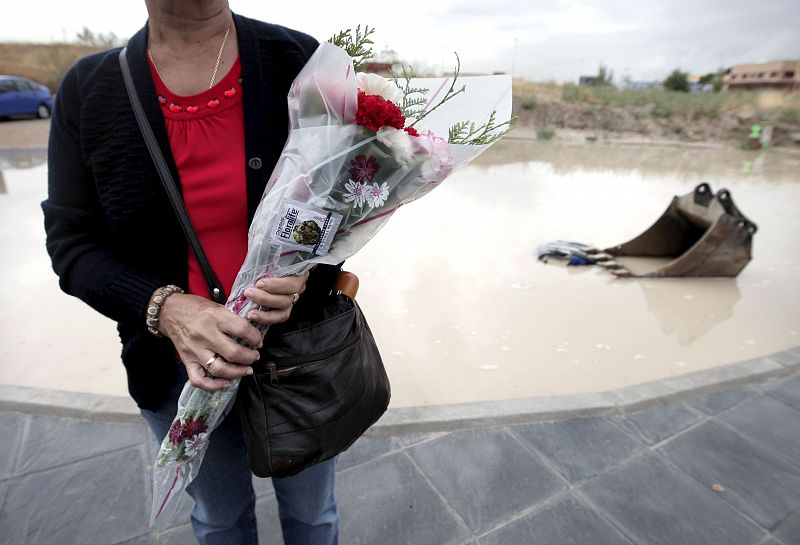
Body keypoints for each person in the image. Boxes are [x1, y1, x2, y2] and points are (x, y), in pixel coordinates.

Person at [42, 1, 341, 544]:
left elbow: (345, 199)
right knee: (220, 520)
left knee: (313, 515)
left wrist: (309, 274)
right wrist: (165, 308)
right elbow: (72, 245)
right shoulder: (89, 88)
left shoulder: (299, 59)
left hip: (298, 356)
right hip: (172, 364)